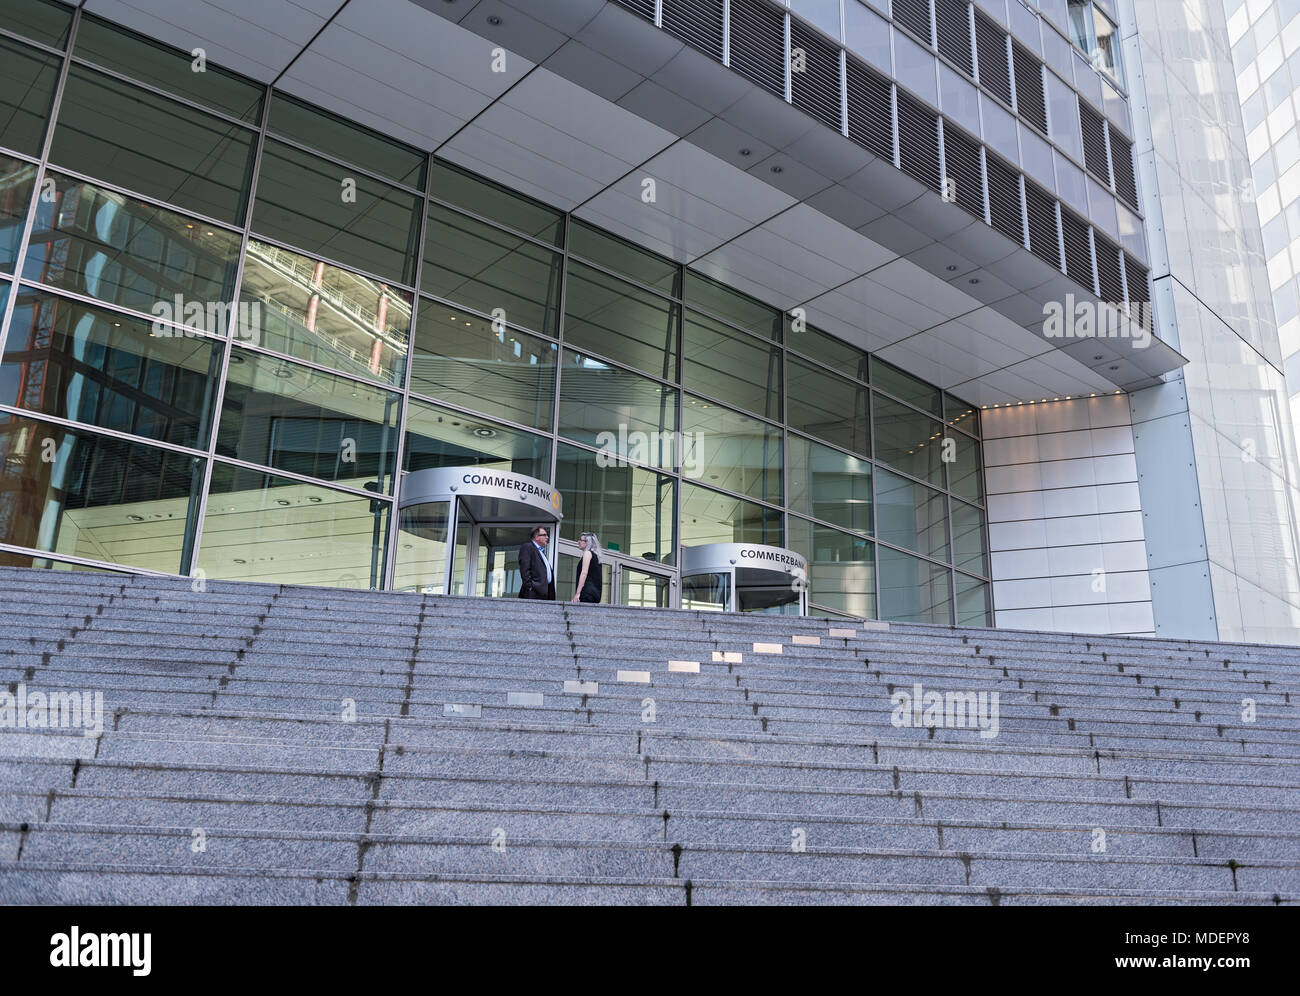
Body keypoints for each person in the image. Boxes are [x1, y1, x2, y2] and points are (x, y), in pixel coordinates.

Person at [517, 525, 555, 600]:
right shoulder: (528, 547)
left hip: (545, 595)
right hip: (533, 595)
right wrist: (530, 588)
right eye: (544, 535)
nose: (547, 537)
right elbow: (525, 569)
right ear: (537, 537)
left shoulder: (541, 552)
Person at [571, 532, 603, 604]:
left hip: (587, 593)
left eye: (581, 540)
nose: (578, 542)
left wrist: (577, 593)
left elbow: (584, 573)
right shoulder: (596, 556)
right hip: (595, 594)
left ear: (587, 542)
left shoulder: (587, 553)